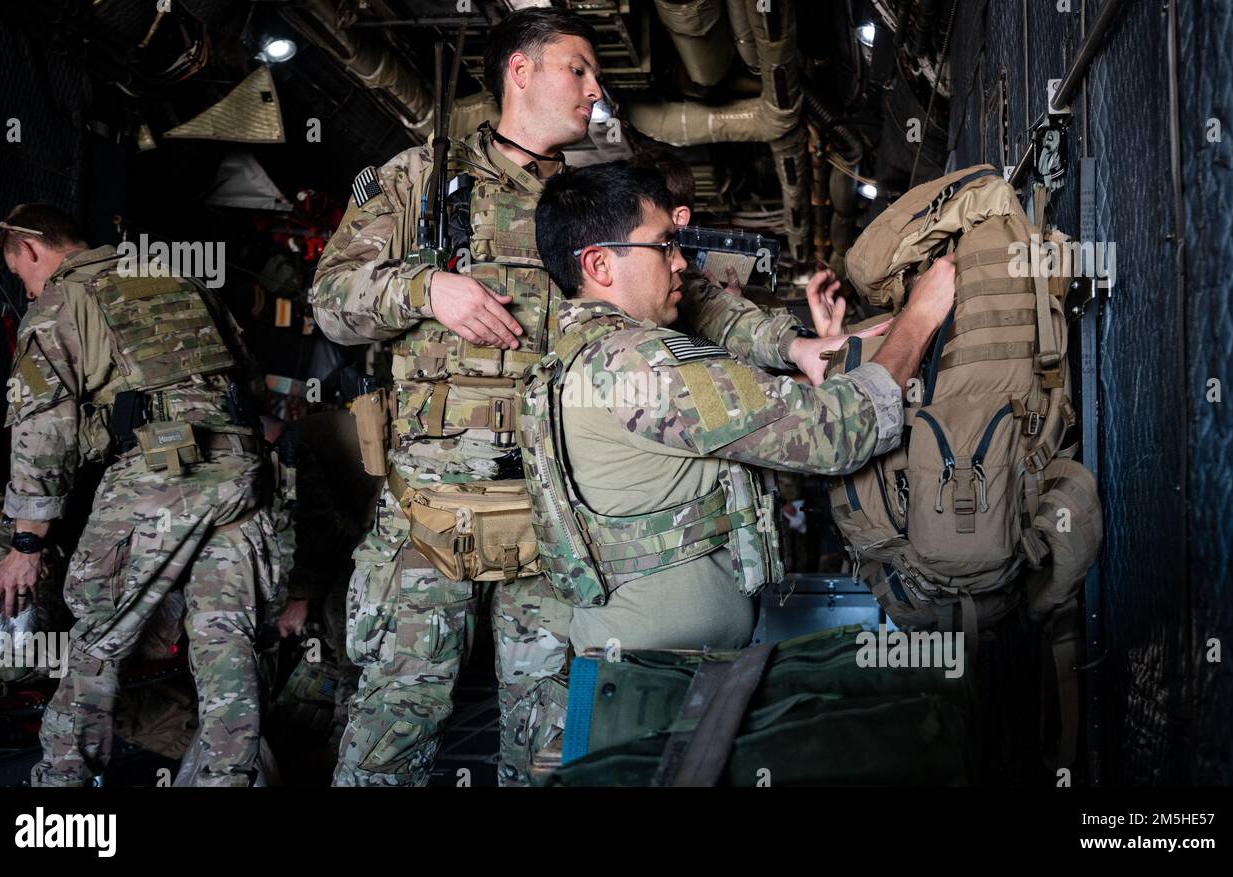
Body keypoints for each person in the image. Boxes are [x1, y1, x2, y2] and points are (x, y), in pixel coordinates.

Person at [310, 7, 845, 786]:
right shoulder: (421, 178)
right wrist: (429, 288)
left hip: (556, 519)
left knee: (552, 741)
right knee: (392, 727)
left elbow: (685, 294)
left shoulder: (596, 194)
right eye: (580, 69)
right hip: (431, 515)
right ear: (519, 71)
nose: (596, 89)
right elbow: (330, 299)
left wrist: (789, 343)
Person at [532, 161, 955, 651]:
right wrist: (921, 317)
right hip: (654, 683)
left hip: (657, 669)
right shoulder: (637, 366)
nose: (680, 262)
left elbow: (725, 359)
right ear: (599, 265)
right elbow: (833, 433)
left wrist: (804, 349)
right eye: (663, 245)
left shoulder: (586, 356)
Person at [0, 204, 283, 786]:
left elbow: (41, 432)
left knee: (98, 635)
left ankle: (61, 793)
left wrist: (27, 542)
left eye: (21, 274)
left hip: (160, 472)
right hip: (241, 469)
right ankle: (227, 780)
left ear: (28, 248)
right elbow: (249, 384)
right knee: (227, 643)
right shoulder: (180, 280)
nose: (27, 289)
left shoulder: (59, 304)